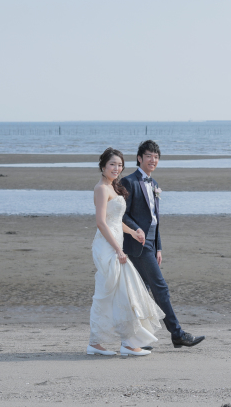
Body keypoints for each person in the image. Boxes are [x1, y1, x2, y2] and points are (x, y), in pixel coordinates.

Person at [121, 140, 205, 348]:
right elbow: (122, 214)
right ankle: (177, 334)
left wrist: (159, 247)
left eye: (156, 157)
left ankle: (141, 338)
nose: (153, 160)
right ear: (140, 158)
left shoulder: (155, 184)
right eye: (149, 156)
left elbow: (156, 219)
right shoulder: (128, 182)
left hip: (151, 244)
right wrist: (137, 230)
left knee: (143, 290)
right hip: (137, 243)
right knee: (160, 288)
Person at [87, 147, 165, 357]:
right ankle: (124, 343)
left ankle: (109, 342)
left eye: (120, 165)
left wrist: (133, 232)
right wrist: (118, 250)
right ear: (103, 166)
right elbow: (101, 223)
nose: (116, 168)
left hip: (115, 243)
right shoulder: (101, 189)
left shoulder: (114, 187)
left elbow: (116, 221)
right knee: (116, 292)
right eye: (112, 164)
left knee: (116, 293)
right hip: (107, 247)